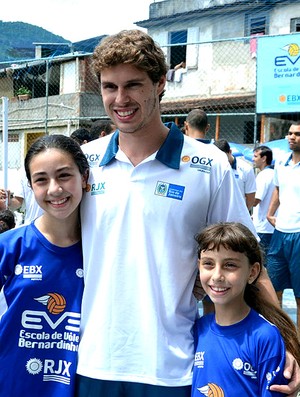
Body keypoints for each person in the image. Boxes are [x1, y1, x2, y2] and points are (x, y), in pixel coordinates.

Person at [76, 29, 299, 397]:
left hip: (173, 366)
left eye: (133, 85)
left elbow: (248, 260)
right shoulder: (85, 163)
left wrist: (287, 343)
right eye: (109, 87)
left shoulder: (207, 165)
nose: (120, 99)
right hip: (92, 361)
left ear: (161, 83)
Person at [0, 134, 89, 396]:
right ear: (30, 186)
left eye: (64, 175)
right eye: (41, 180)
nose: (54, 189)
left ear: (83, 178)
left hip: (79, 386)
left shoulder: (102, 250)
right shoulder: (10, 246)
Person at [193, 222, 300, 397]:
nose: (217, 275)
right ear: (199, 267)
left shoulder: (265, 337)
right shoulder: (199, 328)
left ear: (252, 272)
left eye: (230, 265)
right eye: (208, 264)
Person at [267, 121, 300, 334]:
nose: (292, 137)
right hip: (279, 234)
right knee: (272, 292)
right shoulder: (281, 162)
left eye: (297, 134)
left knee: (299, 296)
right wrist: (270, 213)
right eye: (289, 133)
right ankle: (280, 338)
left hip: (299, 235)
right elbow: (278, 190)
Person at [214, 138, 256, 211]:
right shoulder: (213, 167)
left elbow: (250, 197)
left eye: (223, 156)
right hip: (216, 212)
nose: (220, 160)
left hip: (236, 215)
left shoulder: (246, 169)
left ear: (230, 152)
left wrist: (241, 213)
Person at [252, 145, 276, 257]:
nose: (253, 159)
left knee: (261, 261)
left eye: (256, 156)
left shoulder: (263, 176)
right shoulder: (274, 174)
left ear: (264, 158)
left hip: (263, 228)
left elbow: (256, 200)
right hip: (271, 227)